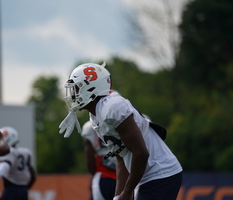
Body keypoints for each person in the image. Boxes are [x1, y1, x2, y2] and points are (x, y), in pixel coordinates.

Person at [59, 62, 183, 200]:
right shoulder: (96, 115)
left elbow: (141, 153)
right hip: (149, 176)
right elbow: (121, 156)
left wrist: (128, 191)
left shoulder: (112, 108)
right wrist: (118, 195)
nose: (73, 94)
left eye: (76, 88)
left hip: (160, 174)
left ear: (91, 88)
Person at [0, 126, 36, 200]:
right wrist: (24, 189)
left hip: (11, 190)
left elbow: (1, 171)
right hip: (23, 190)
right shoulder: (26, 152)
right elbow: (33, 176)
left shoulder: (9, 152)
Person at [81, 121, 116, 200]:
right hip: (128, 179)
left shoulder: (90, 126)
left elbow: (90, 165)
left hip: (103, 177)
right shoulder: (130, 118)